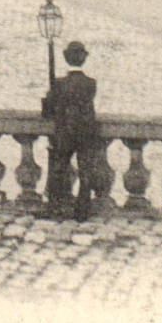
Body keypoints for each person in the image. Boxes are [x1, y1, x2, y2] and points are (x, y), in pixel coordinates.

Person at [41, 40, 102, 221]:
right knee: (85, 171)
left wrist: (49, 96)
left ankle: (56, 207)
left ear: (66, 58)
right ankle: (82, 210)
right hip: (85, 133)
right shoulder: (91, 83)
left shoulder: (59, 84)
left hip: (64, 133)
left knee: (59, 170)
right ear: (84, 59)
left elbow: (47, 112)